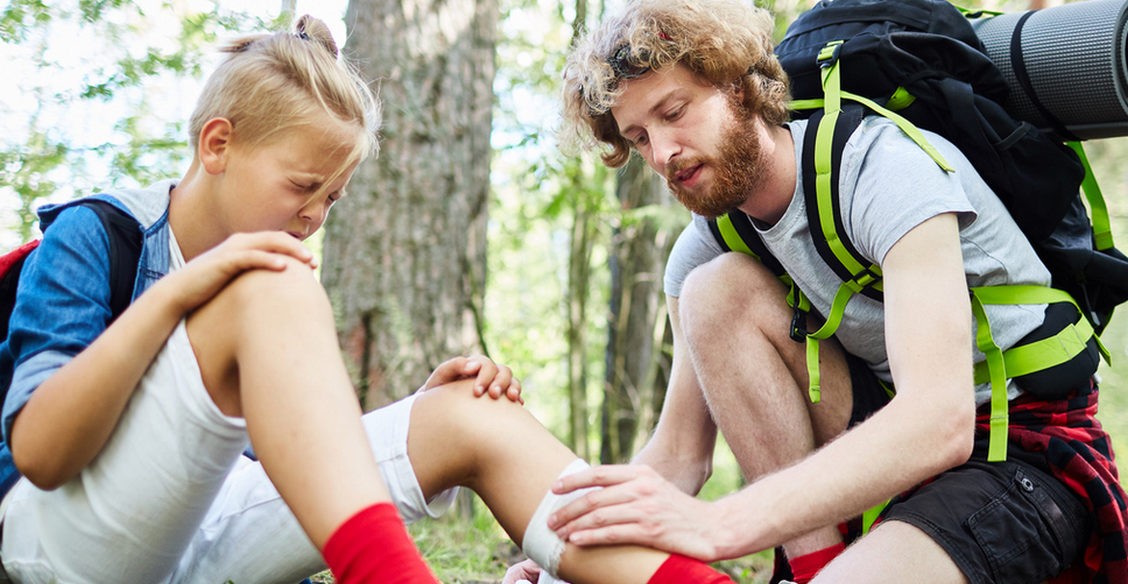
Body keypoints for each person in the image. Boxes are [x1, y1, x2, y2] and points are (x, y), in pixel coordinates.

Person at [0, 14, 739, 584]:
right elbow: (40, 454)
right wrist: (178, 296)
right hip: (59, 548)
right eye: (302, 186)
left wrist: (418, 421)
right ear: (217, 145)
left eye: (332, 198)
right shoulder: (101, 235)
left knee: (468, 409)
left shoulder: (264, 286)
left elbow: (252, 473)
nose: (313, 217)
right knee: (270, 284)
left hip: (200, 543)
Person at [505, 0, 1128, 583]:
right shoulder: (708, 243)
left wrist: (723, 524)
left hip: (1016, 447)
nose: (663, 152)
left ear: (738, 86)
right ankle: (810, 568)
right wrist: (563, 550)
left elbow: (941, 421)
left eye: (674, 113)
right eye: (639, 137)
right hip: (880, 441)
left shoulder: (880, 170)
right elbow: (678, 455)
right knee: (713, 292)